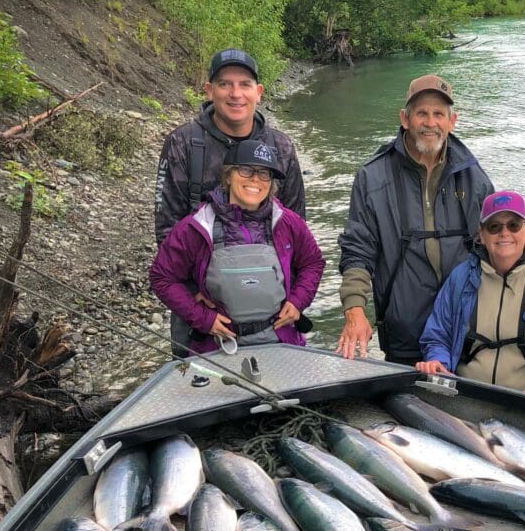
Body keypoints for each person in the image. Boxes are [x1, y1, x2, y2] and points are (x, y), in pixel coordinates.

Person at [154, 49, 306, 355]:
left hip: (270, 310)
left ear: (258, 93)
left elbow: (297, 230)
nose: (235, 94)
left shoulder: (281, 147)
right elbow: (167, 227)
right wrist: (194, 298)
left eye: (245, 84)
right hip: (204, 308)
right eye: (225, 84)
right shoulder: (183, 143)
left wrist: (297, 299)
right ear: (209, 90)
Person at [336, 74, 494, 365]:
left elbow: (497, 250)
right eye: (421, 113)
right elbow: (358, 249)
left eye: (438, 114)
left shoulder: (476, 179)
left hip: (465, 334)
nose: (430, 123)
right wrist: (355, 310)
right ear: (405, 119)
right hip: (404, 333)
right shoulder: (372, 177)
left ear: (452, 121)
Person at [415, 191, 525, 406]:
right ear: (481, 234)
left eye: (514, 225)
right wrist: (437, 361)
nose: (504, 233)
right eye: (494, 227)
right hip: (463, 397)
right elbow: (437, 335)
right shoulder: (460, 279)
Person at [149, 140, 324, 356]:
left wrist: (298, 301)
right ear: (228, 176)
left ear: (271, 183)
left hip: (283, 342)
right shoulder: (196, 226)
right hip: (218, 348)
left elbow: (313, 262)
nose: (255, 179)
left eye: (264, 174)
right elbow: (162, 277)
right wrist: (202, 318)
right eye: (246, 170)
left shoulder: (289, 222)